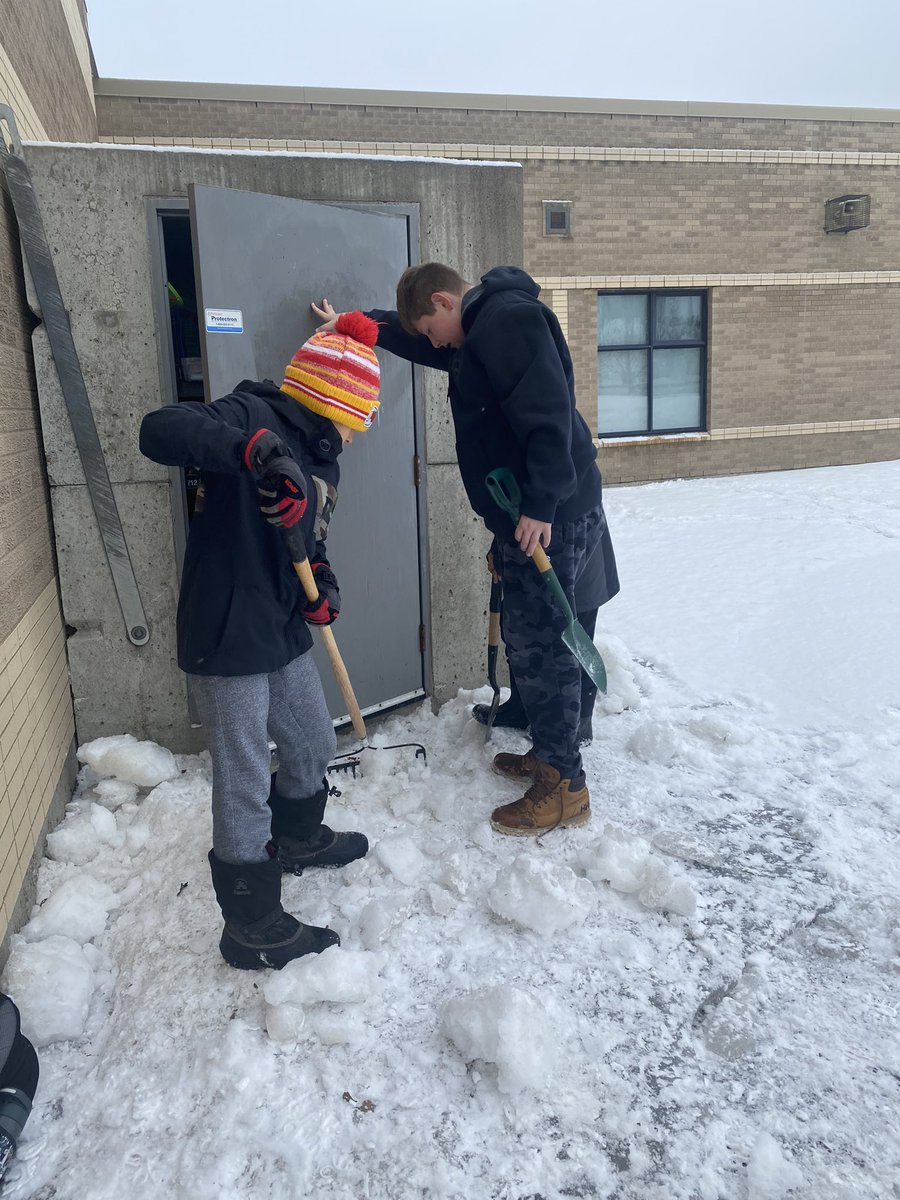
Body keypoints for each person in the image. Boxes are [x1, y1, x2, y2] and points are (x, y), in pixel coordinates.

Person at [313, 263, 619, 836]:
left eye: (433, 329)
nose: (433, 344)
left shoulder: (508, 322)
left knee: (546, 644)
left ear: (444, 301)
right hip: (526, 515)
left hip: (549, 515)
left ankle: (565, 787)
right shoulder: (477, 329)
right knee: (528, 642)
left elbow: (549, 415)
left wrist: (540, 505)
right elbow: (414, 339)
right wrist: (357, 325)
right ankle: (549, 754)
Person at [139, 312, 381, 969]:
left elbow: (310, 543)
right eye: (354, 422)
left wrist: (324, 588)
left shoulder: (324, 462)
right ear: (330, 404)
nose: (353, 437)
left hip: (278, 623)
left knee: (313, 741)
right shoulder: (250, 415)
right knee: (244, 775)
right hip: (225, 628)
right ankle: (251, 926)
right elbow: (159, 430)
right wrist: (254, 453)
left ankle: (297, 838)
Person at [471, 526, 618, 744]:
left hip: (575, 543)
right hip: (532, 547)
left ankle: (578, 724)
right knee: (524, 632)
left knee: (572, 641)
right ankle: (523, 707)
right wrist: (500, 545)